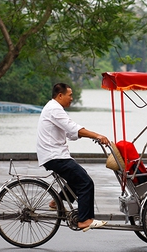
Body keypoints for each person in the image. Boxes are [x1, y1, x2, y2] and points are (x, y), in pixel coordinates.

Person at [36, 83, 110, 231]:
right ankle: (84, 220)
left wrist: (88, 136)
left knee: (77, 178)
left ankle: (56, 202)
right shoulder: (54, 109)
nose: (72, 98)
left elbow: (71, 133)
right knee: (85, 183)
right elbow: (73, 127)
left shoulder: (54, 108)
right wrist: (97, 135)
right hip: (55, 156)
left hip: (54, 154)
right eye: (70, 95)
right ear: (60, 95)